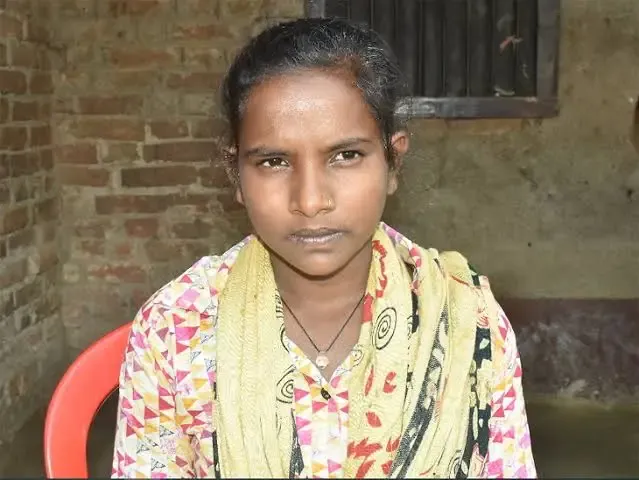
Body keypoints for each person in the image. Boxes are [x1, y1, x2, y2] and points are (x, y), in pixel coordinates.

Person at [111, 17, 536, 479]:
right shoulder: (176, 328)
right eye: (274, 162)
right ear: (237, 175)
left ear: (393, 161)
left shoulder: (468, 321)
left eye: (346, 156)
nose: (311, 201)